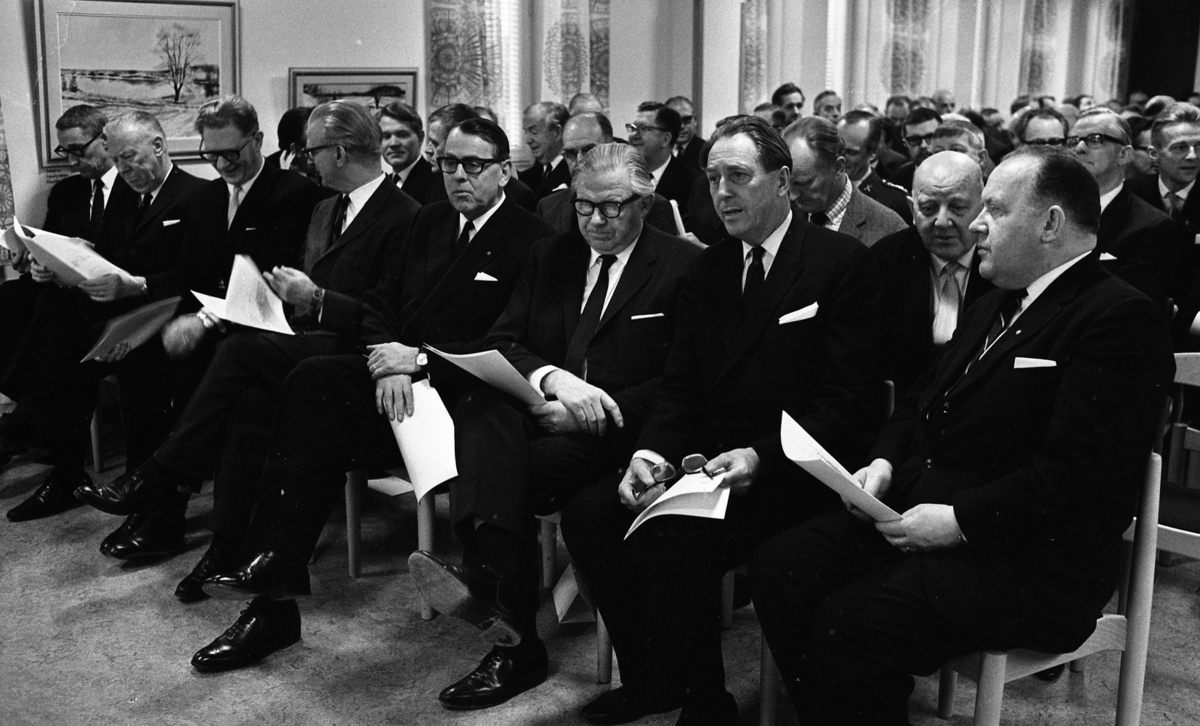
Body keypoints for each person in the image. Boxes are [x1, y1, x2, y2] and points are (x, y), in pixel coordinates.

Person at [750, 145, 1174, 726]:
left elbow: (1081, 477)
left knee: (852, 624)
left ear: (1050, 223)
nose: (976, 225)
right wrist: (883, 462)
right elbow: (922, 399)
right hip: (929, 511)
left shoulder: (1119, 317)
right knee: (781, 566)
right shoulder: (998, 298)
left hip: (1029, 557)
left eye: (994, 209)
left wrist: (959, 522)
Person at [191, 118, 555, 673]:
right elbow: (381, 301)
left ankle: (509, 635)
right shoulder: (429, 219)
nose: (459, 175)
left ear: (505, 171)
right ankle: (275, 586)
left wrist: (418, 360)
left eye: (474, 165)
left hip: (464, 395)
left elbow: (513, 340)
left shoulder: (532, 238)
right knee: (311, 381)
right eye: (449, 163)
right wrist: (387, 360)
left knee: (305, 394)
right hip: (400, 389)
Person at [559, 116, 884, 726]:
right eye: (712, 178)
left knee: (670, 540)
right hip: (713, 465)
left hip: (794, 471)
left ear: (782, 181)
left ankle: (706, 706)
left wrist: (759, 456)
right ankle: (652, 681)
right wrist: (649, 453)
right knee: (590, 513)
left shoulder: (840, 263)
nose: (722, 192)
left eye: (738, 176)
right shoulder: (707, 268)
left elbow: (848, 404)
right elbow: (680, 386)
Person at [73, 100, 421, 599]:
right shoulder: (326, 208)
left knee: (238, 355)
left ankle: (158, 475)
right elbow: (282, 287)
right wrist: (257, 306)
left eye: (311, 152)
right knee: (247, 400)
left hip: (354, 359)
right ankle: (226, 547)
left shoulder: (407, 216)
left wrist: (317, 300)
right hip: (305, 344)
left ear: (340, 153)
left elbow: (394, 318)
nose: (305, 160)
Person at [409, 143, 701, 710]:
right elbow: (504, 340)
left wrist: (594, 407)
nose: (595, 220)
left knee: (502, 470)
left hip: (625, 431)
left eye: (611, 207)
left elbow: (683, 379)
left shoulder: (682, 264)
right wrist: (554, 380)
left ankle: (501, 612)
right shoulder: (552, 254)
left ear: (645, 203)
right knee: (479, 408)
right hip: (547, 412)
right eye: (583, 205)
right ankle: (503, 607)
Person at [90, 94, 326, 561]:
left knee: (198, 362)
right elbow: (190, 276)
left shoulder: (295, 194)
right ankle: (152, 500)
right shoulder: (209, 197)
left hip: (267, 327)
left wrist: (199, 321)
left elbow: (272, 281)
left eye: (231, 153)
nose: (221, 164)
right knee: (143, 355)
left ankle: (159, 499)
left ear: (257, 140)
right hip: (217, 321)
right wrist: (155, 322)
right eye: (210, 154)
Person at [7, 112, 204, 525]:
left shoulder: (198, 195)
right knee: (60, 321)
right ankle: (63, 468)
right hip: (125, 307)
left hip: (169, 310)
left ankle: (31, 429)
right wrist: (73, 259)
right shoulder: (127, 196)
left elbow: (196, 277)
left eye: (129, 157)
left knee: (80, 348)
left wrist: (135, 285)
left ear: (158, 146)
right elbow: (114, 257)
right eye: (117, 160)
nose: (123, 169)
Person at [2, 104, 125, 519]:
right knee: (9, 298)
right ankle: (33, 419)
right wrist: (37, 264)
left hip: (111, 302)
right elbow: (51, 248)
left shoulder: (132, 186)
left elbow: (133, 258)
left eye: (78, 150)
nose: (72, 161)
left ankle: (25, 426)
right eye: (64, 152)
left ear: (105, 140)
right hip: (67, 299)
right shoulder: (67, 193)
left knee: (59, 316)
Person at [871, 151, 995, 397]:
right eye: (928, 208)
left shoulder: (1006, 263)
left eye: (957, 207)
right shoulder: (884, 261)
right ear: (912, 209)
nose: (942, 221)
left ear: (982, 208)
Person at [1067, 108, 1177, 304]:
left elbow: (1128, 304)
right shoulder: (1050, 211)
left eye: (1095, 139)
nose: (1079, 148)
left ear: (1124, 155)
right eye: (1073, 141)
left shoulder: (1151, 227)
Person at [536, 113, 676, 235]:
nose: (579, 161)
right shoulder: (548, 207)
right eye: (570, 153)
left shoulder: (651, 206)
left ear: (611, 147)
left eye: (589, 150)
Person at [783, 116, 906, 247]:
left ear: (838, 168)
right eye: (788, 182)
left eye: (803, 183)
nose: (793, 195)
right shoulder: (782, 215)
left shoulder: (890, 229)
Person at [1127, 103, 1200, 295]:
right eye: (1180, 148)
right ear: (1154, 154)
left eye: (1199, 146)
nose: (1192, 156)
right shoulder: (1132, 194)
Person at [837, 111, 912, 225]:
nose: (841, 158)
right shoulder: (822, 190)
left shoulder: (894, 200)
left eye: (851, 152)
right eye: (837, 150)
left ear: (873, 153)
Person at [627, 102, 701, 213]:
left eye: (643, 128)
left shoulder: (694, 183)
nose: (634, 135)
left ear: (665, 139)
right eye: (633, 128)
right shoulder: (623, 177)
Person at [378, 101, 442, 205]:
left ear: (420, 138)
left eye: (402, 135)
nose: (393, 143)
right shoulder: (383, 185)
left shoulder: (437, 182)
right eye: (386, 136)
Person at [518, 101, 571, 199]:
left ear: (557, 132)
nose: (528, 140)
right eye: (526, 132)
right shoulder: (526, 177)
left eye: (534, 132)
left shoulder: (573, 171)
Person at [884, 107, 942, 192]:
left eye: (930, 137)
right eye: (914, 140)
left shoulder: (960, 175)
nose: (923, 145)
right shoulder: (895, 182)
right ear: (905, 143)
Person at [666, 95, 703, 170]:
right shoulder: (656, 152)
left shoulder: (706, 151)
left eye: (686, 119)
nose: (681, 126)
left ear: (695, 120)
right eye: (675, 120)